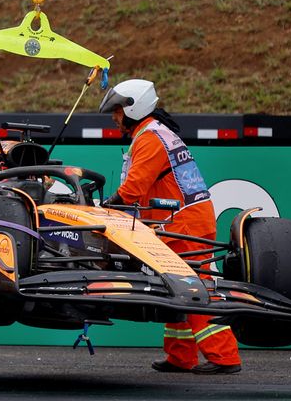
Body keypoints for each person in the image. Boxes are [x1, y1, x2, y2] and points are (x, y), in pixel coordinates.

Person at [99, 79, 242, 375]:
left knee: (193, 290)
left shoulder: (150, 138)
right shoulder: (151, 133)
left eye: (116, 110)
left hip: (184, 224)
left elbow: (133, 190)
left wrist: (104, 208)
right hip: (182, 221)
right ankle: (180, 356)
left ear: (132, 107)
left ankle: (225, 356)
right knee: (176, 289)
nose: (114, 117)